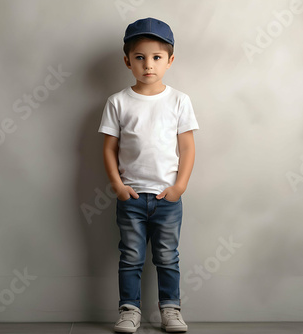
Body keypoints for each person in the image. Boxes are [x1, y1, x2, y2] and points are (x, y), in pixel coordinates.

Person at [98, 17, 199, 333]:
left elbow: (187, 147)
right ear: (127, 61)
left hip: (166, 198)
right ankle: (129, 310)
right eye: (140, 57)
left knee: (168, 258)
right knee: (130, 258)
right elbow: (109, 149)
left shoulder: (179, 101)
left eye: (156, 57)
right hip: (130, 197)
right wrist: (117, 185)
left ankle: (170, 309)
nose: (148, 65)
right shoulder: (118, 102)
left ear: (170, 60)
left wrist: (179, 186)